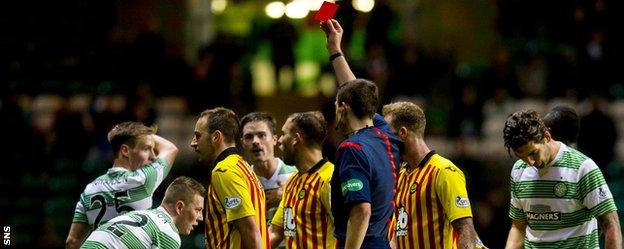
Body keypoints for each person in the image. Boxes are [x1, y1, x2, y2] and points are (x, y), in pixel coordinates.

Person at [321, 19, 402, 249]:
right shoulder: (386, 136)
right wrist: (335, 51)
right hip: (382, 242)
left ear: (343, 107)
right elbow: (356, 92)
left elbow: (361, 211)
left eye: (337, 105)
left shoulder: (351, 149)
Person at [503, 110, 622, 249]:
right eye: (522, 157)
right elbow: (518, 227)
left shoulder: (583, 168)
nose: (530, 162)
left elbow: (611, 225)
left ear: (547, 136)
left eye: (533, 153)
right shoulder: (518, 170)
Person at [382, 102, 484, 249]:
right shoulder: (401, 176)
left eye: (387, 135)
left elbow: (465, 229)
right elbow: (397, 235)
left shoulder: (444, 171)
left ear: (403, 133)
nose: (384, 141)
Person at [66, 122, 179, 249]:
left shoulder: (89, 189)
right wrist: (144, 135)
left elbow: (72, 241)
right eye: (146, 149)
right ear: (125, 150)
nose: (153, 156)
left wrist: (123, 135)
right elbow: (170, 148)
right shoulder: (142, 179)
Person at [190, 107, 269, 249]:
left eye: (198, 136)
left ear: (216, 137)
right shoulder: (243, 167)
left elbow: (250, 230)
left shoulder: (224, 170)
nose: (193, 143)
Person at [269, 111, 336, 248]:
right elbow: (277, 232)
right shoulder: (291, 183)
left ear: (296, 139)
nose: (279, 141)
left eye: (283, 134)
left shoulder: (330, 178)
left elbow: (349, 229)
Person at [80, 176, 205, 249]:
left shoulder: (138, 215)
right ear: (179, 207)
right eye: (198, 210)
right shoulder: (167, 233)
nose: (200, 218)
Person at [240, 112, 297, 222]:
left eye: (261, 135)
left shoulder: (295, 174)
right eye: (249, 137)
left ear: (274, 139)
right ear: (242, 143)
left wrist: (287, 197)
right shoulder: (241, 181)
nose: (255, 141)